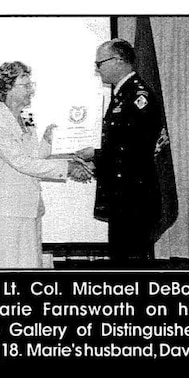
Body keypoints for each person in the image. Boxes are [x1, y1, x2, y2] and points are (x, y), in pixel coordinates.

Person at [0, 61, 92, 269]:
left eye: (30, 84)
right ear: (7, 89)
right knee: (10, 270)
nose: (31, 90)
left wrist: (49, 140)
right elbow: (22, 163)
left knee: (32, 266)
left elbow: (35, 157)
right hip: (8, 213)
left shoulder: (27, 117)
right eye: (25, 86)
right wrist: (67, 168)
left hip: (31, 207)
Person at [76, 39, 162, 262]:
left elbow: (133, 150)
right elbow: (117, 144)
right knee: (121, 256)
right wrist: (95, 160)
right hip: (123, 195)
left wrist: (94, 155)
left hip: (134, 197)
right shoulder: (123, 94)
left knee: (130, 260)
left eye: (100, 63)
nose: (98, 69)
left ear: (118, 61)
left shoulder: (138, 96)